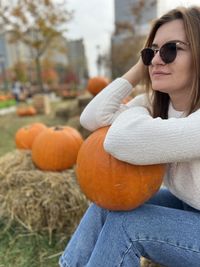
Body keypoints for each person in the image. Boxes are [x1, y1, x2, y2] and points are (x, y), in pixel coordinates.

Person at [59, 6, 200, 267]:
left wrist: (135, 113)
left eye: (171, 50)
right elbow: (91, 118)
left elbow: (118, 141)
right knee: (108, 204)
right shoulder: (158, 104)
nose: (157, 60)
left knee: (127, 226)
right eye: (151, 52)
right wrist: (140, 68)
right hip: (189, 208)